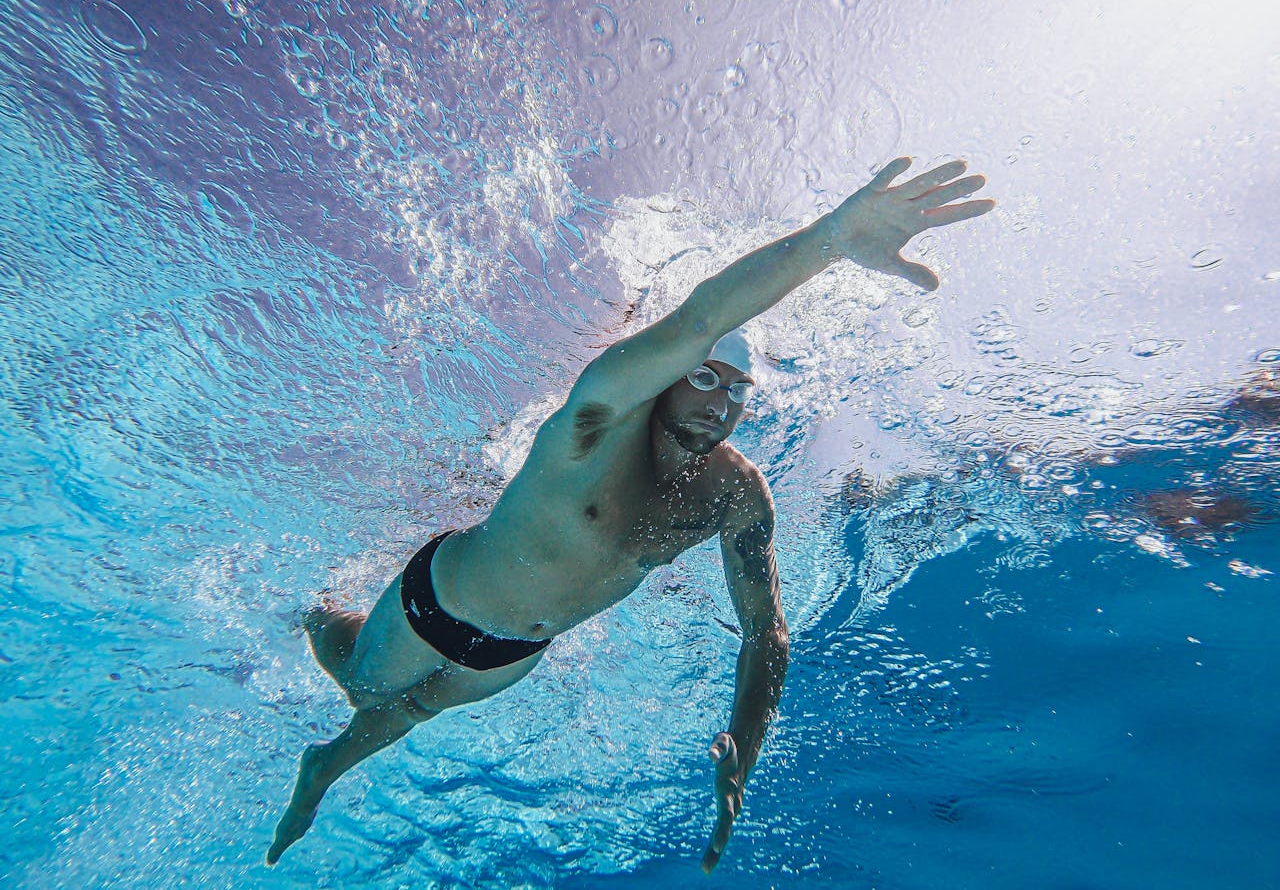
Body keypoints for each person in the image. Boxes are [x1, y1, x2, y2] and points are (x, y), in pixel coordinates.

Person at [266, 156, 994, 869]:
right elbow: (704, 313)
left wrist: (745, 740)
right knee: (366, 688)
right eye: (705, 376)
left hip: (513, 655)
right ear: (666, 375)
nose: (720, 403)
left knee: (407, 713)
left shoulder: (736, 495)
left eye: (738, 391)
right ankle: (313, 608)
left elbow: (765, 628)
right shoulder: (600, 420)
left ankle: (323, 766)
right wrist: (831, 240)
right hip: (444, 598)